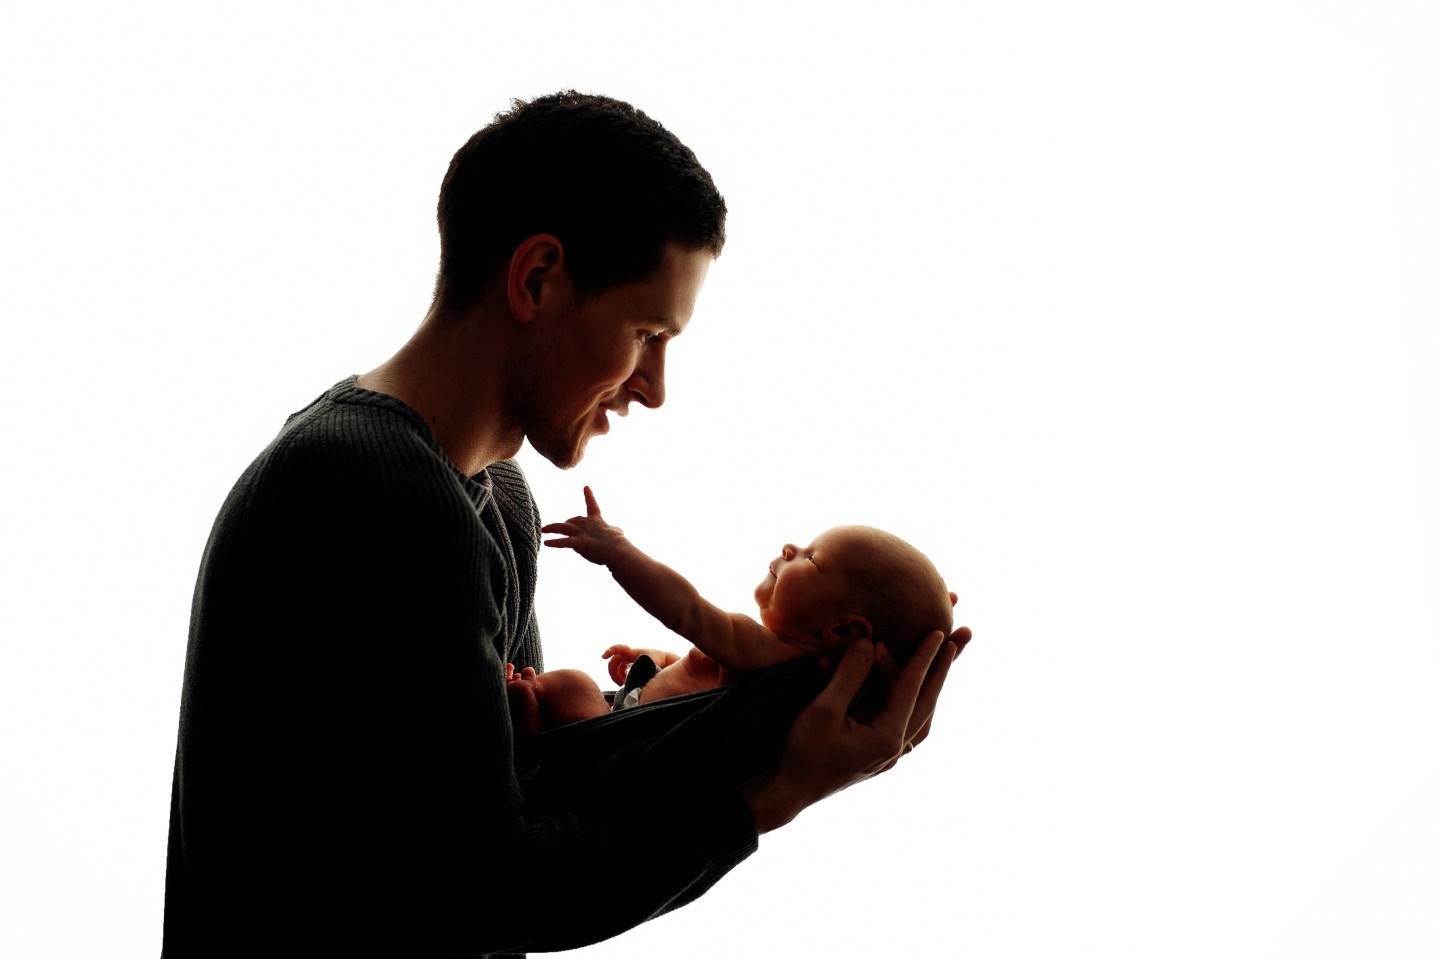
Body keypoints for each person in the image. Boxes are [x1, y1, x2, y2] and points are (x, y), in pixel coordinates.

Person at [162, 90, 969, 958]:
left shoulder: (496, 494)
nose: (655, 387)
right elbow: (487, 889)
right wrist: (772, 795)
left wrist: (782, 702)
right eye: (647, 332)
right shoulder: (371, 486)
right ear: (537, 278)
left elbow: (537, 794)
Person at [506, 487, 956, 734]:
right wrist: (657, 660)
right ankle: (539, 709)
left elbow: (686, 610)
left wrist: (616, 550)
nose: (791, 548)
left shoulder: (776, 657)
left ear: (842, 632)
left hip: (612, 737)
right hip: (635, 712)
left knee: (571, 683)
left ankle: (540, 724)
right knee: (566, 686)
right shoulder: (773, 671)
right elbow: (698, 675)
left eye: (813, 558)